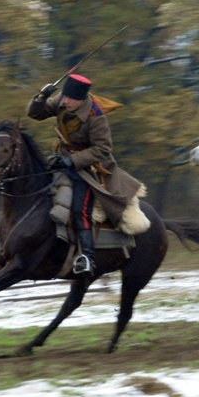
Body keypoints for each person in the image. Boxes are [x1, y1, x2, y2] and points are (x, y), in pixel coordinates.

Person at [26, 74, 142, 274]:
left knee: (80, 209)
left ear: (81, 100)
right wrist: (41, 97)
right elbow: (35, 114)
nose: (66, 102)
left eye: (71, 99)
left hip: (89, 168)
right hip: (62, 157)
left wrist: (73, 161)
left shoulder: (95, 116)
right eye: (64, 97)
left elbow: (103, 149)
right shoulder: (63, 101)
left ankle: (87, 257)